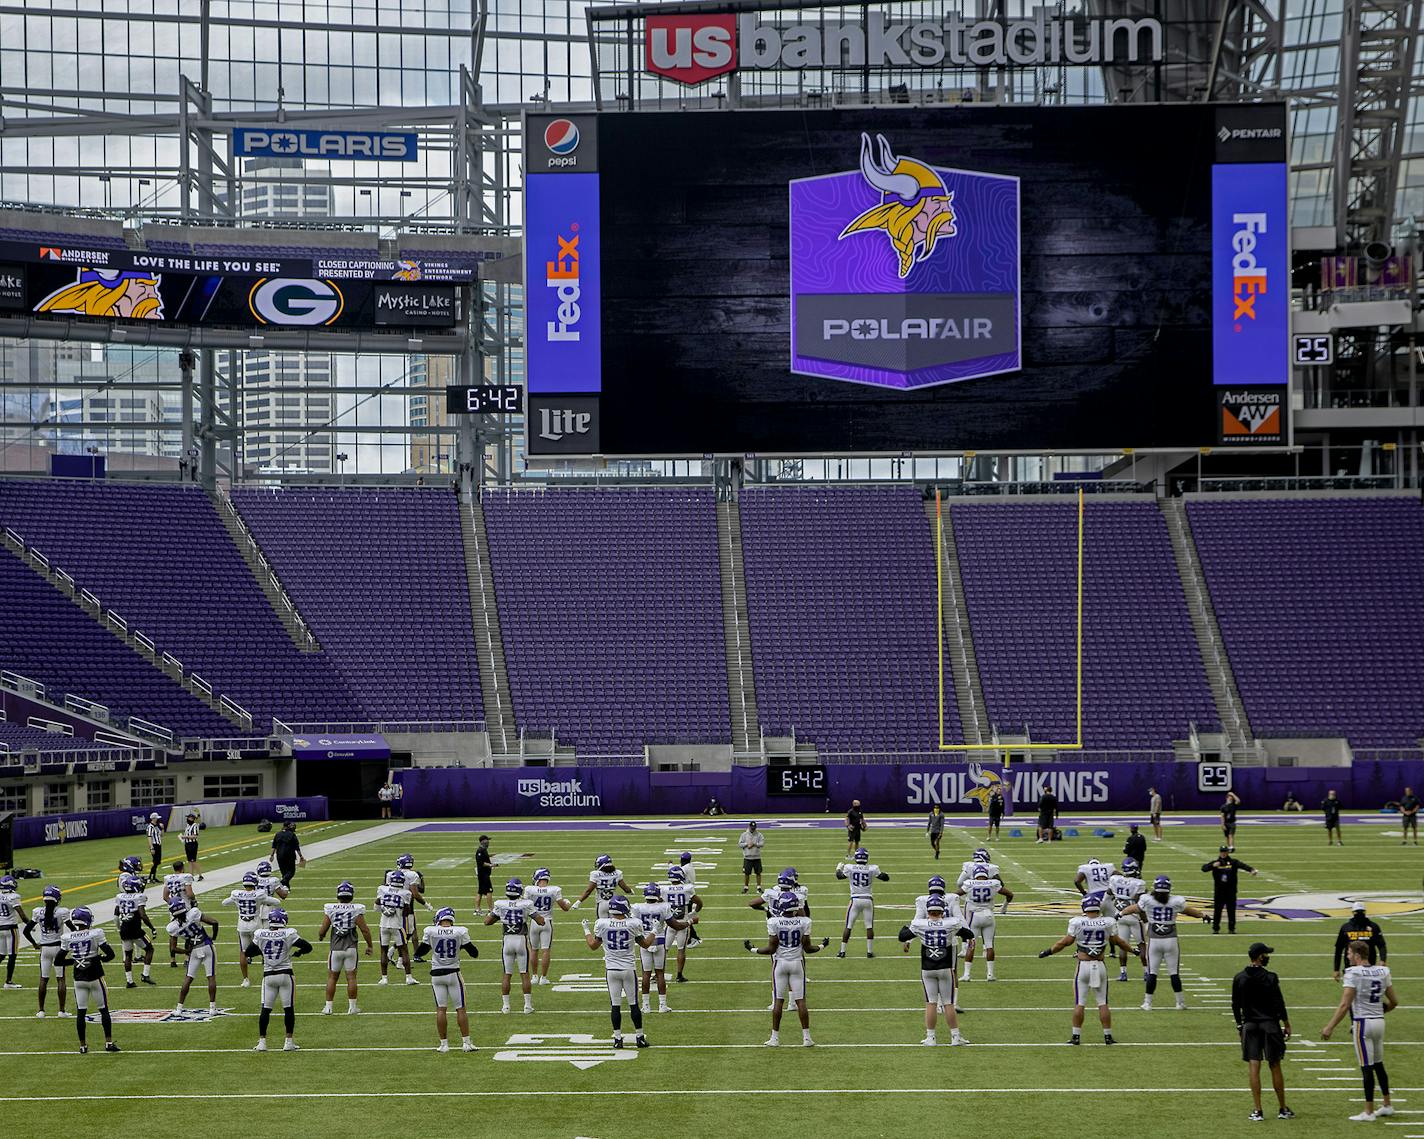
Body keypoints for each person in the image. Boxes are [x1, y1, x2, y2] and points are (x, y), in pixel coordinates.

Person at [1037, 893, 1134, 1046]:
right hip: (1100, 965)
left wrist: (1048, 951)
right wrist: (1134, 951)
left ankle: (1076, 1036)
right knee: (1102, 1003)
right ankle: (1108, 1036)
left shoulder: (1078, 922)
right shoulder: (1107, 922)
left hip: (1083, 966)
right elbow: (1119, 942)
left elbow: (1065, 943)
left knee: (1080, 1003)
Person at [1322, 941, 1398, 1121]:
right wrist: (1380, 1011)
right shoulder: (1382, 971)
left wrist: (1329, 1026)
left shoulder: (1353, 973)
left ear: (1357, 955)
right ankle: (1387, 1104)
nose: (1347, 956)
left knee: (1366, 1067)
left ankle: (1369, 1111)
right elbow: (1394, 1001)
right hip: (1379, 1022)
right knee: (1378, 1064)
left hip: (1362, 1024)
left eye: (1348, 953)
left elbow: (1344, 1005)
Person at [747, 890, 828, 1047]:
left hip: (780, 964)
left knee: (778, 1001)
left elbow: (771, 949)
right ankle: (807, 1038)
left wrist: (752, 949)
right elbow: (808, 948)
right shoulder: (804, 921)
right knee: (801, 1002)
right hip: (797, 963)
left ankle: (774, 1038)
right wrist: (823, 945)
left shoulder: (773, 922)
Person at [1118, 875, 1211, 1010]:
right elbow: (1190, 911)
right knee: (1173, 973)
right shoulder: (1176, 901)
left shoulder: (1147, 900)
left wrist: (1120, 913)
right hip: (1171, 940)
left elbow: (1133, 908)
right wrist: (1204, 915)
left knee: (1152, 973)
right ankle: (1180, 1002)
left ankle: (1148, 1003)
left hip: (1154, 941)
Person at [1232, 942, 1294, 1121]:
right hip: (1270, 1025)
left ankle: (1257, 1110)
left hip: (1250, 1026)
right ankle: (1282, 1108)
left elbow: (1235, 1005)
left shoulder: (1240, 978)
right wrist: (1286, 1023)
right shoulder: (1271, 977)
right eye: (1266, 954)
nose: (1268, 957)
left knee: (1254, 1065)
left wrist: (1239, 1025)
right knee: (1275, 1065)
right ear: (1259, 957)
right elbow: (1278, 1002)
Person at [583, 895, 655, 1049]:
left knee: (615, 1005)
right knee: (633, 1004)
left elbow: (593, 946)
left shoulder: (602, 923)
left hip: (611, 970)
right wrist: (655, 930)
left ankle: (617, 1039)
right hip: (628, 969)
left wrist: (586, 930)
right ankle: (640, 1037)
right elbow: (645, 944)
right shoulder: (633, 924)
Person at [898, 893, 968, 1044]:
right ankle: (955, 1037)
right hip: (946, 968)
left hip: (927, 968)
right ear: (943, 910)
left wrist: (905, 927)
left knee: (931, 1003)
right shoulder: (951, 923)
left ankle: (931, 1037)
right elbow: (968, 933)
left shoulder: (919, 924)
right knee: (948, 1003)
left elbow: (902, 936)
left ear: (927, 910)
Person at [413, 907, 479, 1052]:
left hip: (436, 975)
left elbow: (420, 952)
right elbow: (474, 953)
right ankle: (466, 1043)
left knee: (441, 1009)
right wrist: (460, 945)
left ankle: (444, 1045)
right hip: (453, 974)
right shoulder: (460, 931)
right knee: (460, 1009)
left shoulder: (430, 931)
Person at [246, 907, 312, 1051]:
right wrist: (299, 952)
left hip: (269, 975)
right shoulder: (289, 933)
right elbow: (308, 947)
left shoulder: (261, 933)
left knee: (265, 1009)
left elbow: (248, 952)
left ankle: (262, 1042)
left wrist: (263, 951)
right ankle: (288, 1042)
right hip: (285, 974)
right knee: (288, 1009)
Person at [54, 907, 118, 1054]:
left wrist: (76, 961)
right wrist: (98, 958)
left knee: (81, 1012)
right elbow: (110, 954)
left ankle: (83, 1046)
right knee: (103, 1010)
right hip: (95, 976)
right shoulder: (96, 933)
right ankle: (108, 1042)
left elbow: (58, 961)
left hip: (79, 978)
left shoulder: (68, 937)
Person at [485, 877, 544, 1014]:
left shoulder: (501, 904)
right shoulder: (526, 903)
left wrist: (501, 915)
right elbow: (541, 921)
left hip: (507, 940)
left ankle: (506, 1006)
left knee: (507, 973)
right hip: (521, 940)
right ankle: (527, 1006)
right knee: (524, 973)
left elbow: (487, 921)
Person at [318, 880, 372, 1015]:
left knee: (332, 977)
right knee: (351, 977)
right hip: (351, 947)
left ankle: (328, 1007)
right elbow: (364, 929)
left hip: (335, 948)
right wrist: (369, 945)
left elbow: (323, 928)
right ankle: (352, 1008)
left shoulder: (331, 908)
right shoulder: (356, 909)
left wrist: (321, 936)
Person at [223, 872, 279, 990]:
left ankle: (246, 979)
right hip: (256, 926)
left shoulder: (236, 894)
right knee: (264, 948)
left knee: (243, 952)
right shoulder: (259, 894)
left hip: (242, 926)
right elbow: (276, 902)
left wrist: (235, 900)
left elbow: (224, 903)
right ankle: (269, 975)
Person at [955, 867, 1012, 982]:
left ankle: (967, 974)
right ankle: (990, 974)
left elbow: (955, 895)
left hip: (974, 916)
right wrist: (1004, 905)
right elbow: (1010, 894)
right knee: (989, 945)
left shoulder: (969, 883)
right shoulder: (994, 883)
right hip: (989, 915)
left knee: (971, 944)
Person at [166, 896, 219, 1017]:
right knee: (210, 977)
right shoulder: (193, 913)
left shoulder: (172, 927)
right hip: (206, 945)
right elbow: (214, 922)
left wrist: (186, 950)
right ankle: (212, 1008)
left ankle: (179, 1008)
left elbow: (173, 948)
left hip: (193, 950)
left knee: (188, 979)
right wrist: (213, 937)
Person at [23, 884, 70, 1017]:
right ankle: (61, 1011)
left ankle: (41, 1010)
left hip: (45, 949)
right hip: (58, 948)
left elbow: (26, 930)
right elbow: (73, 929)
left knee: (44, 979)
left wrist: (34, 944)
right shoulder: (62, 912)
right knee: (60, 979)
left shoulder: (37, 912)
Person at [836, 847, 889, 958]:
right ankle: (869, 952)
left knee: (848, 926)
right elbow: (885, 878)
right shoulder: (872, 868)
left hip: (855, 899)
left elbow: (839, 876)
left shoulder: (849, 867)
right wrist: (884, 874)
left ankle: (842, 951)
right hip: (868, 899)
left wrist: (838, 869)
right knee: (869, 926)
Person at [524, 868, 573, 985]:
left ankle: (534, 976)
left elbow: (524, 905)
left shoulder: (530, 889)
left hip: (534, 922)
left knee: (534, 950)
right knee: (545, 950)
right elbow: (565, 908)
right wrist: (567, 903)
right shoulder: (554, 890)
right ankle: (543, 978)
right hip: (547, 922)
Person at [1200, 847, 1258, 934]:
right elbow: (1204, 868)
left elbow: (1243, 865)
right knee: (1217, 911)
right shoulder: (1216, 863)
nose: (1223, 853)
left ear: (1227, 852)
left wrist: (1251, 870)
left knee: (1231, 911)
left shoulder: (1233, 862)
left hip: (1231, 891)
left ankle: (1231, 928)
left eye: (1225, 852)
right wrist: (1212, 866)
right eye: (1222, 852)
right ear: (1219, 853)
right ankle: (1216, 928)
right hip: (1219, 892)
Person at [661, 863, 703, 984]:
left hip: (670, 923)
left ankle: (659, 972)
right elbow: (700, 903)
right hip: (683, 922)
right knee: (681, 950)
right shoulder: (687, 888)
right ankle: (679, 975)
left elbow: (658, 903)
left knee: (664, 949)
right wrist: (693, 913)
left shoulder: (664, 889)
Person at [375, 869, 418, 986]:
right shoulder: (406, 893)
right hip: (397, 926)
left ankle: (384, 978)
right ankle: (408, 977)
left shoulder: (382, 889)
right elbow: (406, 912)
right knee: (404, 950)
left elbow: (376, 907)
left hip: (383, 925)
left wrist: (386, 909)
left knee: (383, 950)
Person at [114, 873, 156, 988]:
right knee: (150, 949)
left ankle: (129, 981)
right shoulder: (139, 897)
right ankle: (145, 975)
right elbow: (142, 914)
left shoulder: (119, 897)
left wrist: (118, 928)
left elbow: (116, 914)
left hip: (124, 929)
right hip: (135, 930)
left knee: (128, 955)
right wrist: (152, 928)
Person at [1108, 858, 1147, 982]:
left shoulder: (1115, 879)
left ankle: (1123, 973)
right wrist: (1145, 920)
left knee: (1123, 945)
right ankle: (1146, 972)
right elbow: (1140, 903)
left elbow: (1110, 892)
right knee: (1141, 944)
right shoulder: (1139, 883)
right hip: (1134, 916)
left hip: (1119, 916)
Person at [1333, 901, 1387, 979]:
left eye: (1361, 912)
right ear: (1353, 913)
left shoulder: (1373, 926)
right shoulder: (1346, 927)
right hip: (1351, 966)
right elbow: (1339, 948)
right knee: (1351, 988)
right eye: (1357, 912)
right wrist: (1336, 968)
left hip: (1369, 966)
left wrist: (1383, 960)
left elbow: (1381, 945)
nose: (1359, 914)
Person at [573, 854, 632, 920]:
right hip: (613, 903)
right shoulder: (617, 873)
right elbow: (625, 889)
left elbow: (589, 890)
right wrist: (631, 891)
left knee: (601, 926)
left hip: (601, 903)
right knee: (614, 924)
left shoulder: (595, 874)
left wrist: (578, 902)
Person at [161, 859, 195, 968]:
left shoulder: (168, 878)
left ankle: (173, 960)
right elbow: (189, 894)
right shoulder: (186, 877)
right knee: (189, 932)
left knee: (173, 934)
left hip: (173, 910)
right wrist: (194, 900)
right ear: (182, 868)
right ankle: (186, 958)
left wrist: (172, 903)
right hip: (185, 908)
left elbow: (165, 896)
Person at [0, 873, 26, 989]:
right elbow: (21, 913)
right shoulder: (13, 896)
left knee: (1, 955)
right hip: (11, 928)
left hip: (0, 928)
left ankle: (8, 982)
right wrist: (30, 924)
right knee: (12, 955)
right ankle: (8, 982)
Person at [269, 820, 306, 888]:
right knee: (291, 871)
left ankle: (286, 888)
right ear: (289, 826)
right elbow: (296, 847)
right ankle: (282, 882)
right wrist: (301, 856)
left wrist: (272, 855)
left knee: (284, 872)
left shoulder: (278, 834)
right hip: (289, 855)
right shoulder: (292, 834)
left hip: (279, 855)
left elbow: (274, 846)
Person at [738, 821, 765, 894]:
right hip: (747, 857)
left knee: (758, 873)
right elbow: (740, 844)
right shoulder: (744, 835)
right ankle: (746, 887)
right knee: (747, 873)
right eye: (752, 828)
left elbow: (762, 844)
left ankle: (758, 887)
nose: (753, 829)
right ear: (749, 827)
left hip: (757, 857)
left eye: (754, 828)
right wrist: (747, 844)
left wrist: (754, 844)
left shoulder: (759, 835)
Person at [180, 811, 203, 881]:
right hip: (187, 844)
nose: (188, 819)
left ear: (192, 819)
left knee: (193, 860)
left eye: (189, 818)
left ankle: (200, 875)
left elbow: (195, 836)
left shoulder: (195, 825)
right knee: (189, 861)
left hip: (192, 844)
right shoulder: (187, 825)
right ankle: (191, 875)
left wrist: (185, 837)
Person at [474, 835, 493, 914]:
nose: (488, 842)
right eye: (487, 840)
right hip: (483, 874)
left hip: (483, 874)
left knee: (480, 892)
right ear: (482, 841)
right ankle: (490, 909)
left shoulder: (483, 850)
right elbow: (481, 863)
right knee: (489, 891)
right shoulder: (480, 851)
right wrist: (490, 865)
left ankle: (477, 909)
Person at [145, 812, 165, 884]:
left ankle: (153, 877)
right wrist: (151, 847)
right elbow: (149, 837)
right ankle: (150, 877)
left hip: (158, 845)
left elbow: (162, 835)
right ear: (153, 818)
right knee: (155, 861)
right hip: (154, 845)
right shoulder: (150, 827)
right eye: (156, 818)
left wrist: (162, 828)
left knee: (157, 862)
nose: (158, 819)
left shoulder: (156, 826)